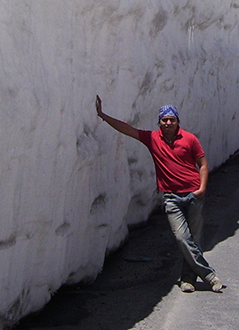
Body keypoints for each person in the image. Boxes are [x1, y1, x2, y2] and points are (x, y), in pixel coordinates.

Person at [95, 95, 224, 293]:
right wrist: (102, 115)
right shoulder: (153, 139)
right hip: (171, 197)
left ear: (177, 121)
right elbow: (127, 129)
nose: (168, 122)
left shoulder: (190, 139)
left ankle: (188, 279)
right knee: (182, 238)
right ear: (159, 122)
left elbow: (203, 164)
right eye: (164, 119)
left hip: (193, 194)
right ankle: (209, 276)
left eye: (172, 119)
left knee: (194, 240)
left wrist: (202, 188)